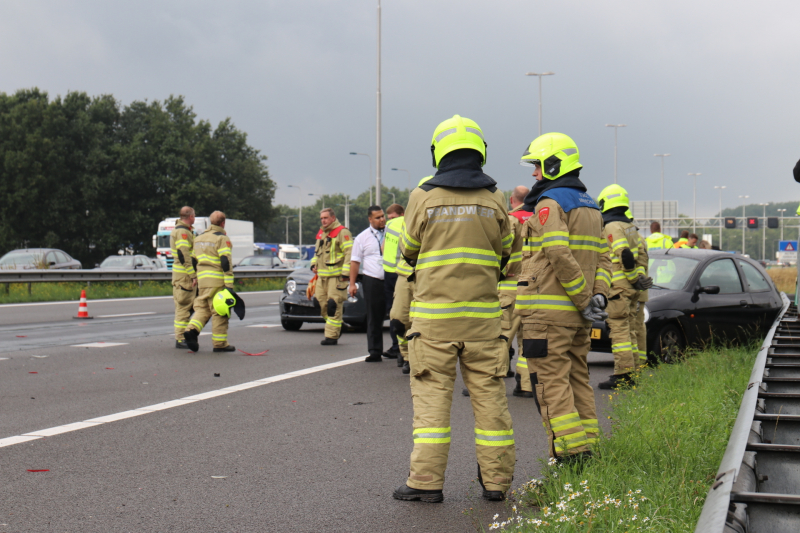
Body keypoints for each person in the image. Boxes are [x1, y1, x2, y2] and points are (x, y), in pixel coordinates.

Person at [393, 115, 515, 503]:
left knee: (431, 408)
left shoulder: (422, 197)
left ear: (438, 153)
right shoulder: (495, 198)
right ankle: (496, 482)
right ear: (480, 152)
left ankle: (426, 483)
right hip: (483, 324)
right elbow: (507, 253)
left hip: (434, 325)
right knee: (491, 404)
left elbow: (408, 251)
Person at [514, 132, 612, 462]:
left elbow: (557, 252)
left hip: (546, 316)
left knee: (551, 386)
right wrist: (597, 298)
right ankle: (591, 451)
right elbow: (604, 258)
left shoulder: (549, 204)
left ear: (555, 165)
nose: (534, 173)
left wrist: (585, 299)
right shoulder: (592, 205)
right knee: (578, 380)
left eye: (538, 166)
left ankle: (572, 460)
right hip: (578, 317)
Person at [595, 185, 652, 389]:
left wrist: (631, 277)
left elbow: (624, 254)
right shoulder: (630, 227)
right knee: (630, 331)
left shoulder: (612, 226)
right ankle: (634, 370)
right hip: (632, 289)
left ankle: (623, 374)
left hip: (619, 288)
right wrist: (638, 278)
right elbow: (641, 256)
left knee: (619, 330)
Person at [182, 211, 235, 352]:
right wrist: (229, 285)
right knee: (220, 311)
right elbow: (225, 262)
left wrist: (195, 277)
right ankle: (220, 344)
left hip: (203, 282)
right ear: (223, 223)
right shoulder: (222, 238)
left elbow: (193, 261)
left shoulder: (198, 238)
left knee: (203, 309)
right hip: (217, 282)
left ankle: (191, 330)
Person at [502, 186, 533, 396]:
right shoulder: (540, 218)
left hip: (510, 285)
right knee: (526, 339)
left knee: (501, 336)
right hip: (534, 287)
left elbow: (502, 250)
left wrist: (500, 272)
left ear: (512, 200)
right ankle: (526, 385)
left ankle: (488, 382)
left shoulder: (511, 220)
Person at [349, 206, 387, 362]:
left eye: (383, 216)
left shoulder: (391, 233)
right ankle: (375, 351)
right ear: (370, 219)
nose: (382, 219)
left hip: (392, 278)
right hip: (372, 279)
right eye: (378, 217)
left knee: (398, 315)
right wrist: (352, 284)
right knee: (374, 316)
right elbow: (355, 261)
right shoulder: (362, 238)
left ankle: (398, 349)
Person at [311, 208, 353, 345]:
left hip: (336, 278)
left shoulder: (342, 232)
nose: (323, 221)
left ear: (333, 218)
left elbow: (349, 253)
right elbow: (317, 253)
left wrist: (346, 274)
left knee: (333, 306)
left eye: (326, 218)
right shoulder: (322, 233)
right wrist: (313, 264)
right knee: (319, 303)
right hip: (322, 277)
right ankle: (339, 325)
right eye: (321, 218)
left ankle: (332, 336)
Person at [171, 206, 197, 349]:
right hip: (185, 276)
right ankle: (181, 338)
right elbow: (184, 254)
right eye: (194, 216)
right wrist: (192, 274)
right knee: (183, 308)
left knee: (186, 307)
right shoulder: (182, 232)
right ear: (190, 216)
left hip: (181, 276)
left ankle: (183, 336)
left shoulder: (183, 230)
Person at [382, 204, 405, 361]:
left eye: (393, 217)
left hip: (390, 272)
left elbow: (383, 248)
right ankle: (403, 350)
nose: (391, 220)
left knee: (394, 312)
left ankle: (396, 347)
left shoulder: (389, 226)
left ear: (401, 214)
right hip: (402, 272)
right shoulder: (408, 223)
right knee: (404, 310)